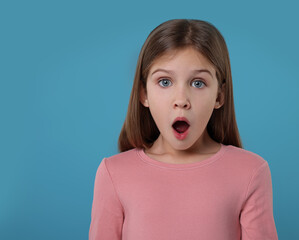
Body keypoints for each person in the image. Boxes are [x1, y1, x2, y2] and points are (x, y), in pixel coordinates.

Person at [89, 19, 278, 240]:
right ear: (144, 94)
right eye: (165, 82)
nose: (181, 100)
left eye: (198, 83)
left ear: (219, 96)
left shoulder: (252, 172)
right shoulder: (113, 174)